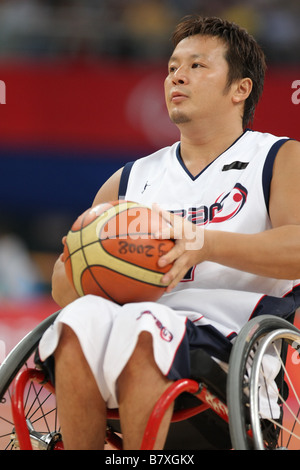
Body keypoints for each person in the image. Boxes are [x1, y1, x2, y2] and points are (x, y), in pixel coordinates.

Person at [39, 15, 300, 450]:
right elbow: (62, 287)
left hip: (232, 345)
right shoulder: (129, 180)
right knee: (78, 319)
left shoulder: (278, 158)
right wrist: (92, 263)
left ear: (240, 89)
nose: (177, 75)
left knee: (147, 322)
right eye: (172, 67)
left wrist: (203, 244)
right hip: (137, 326)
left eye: (197, 66)